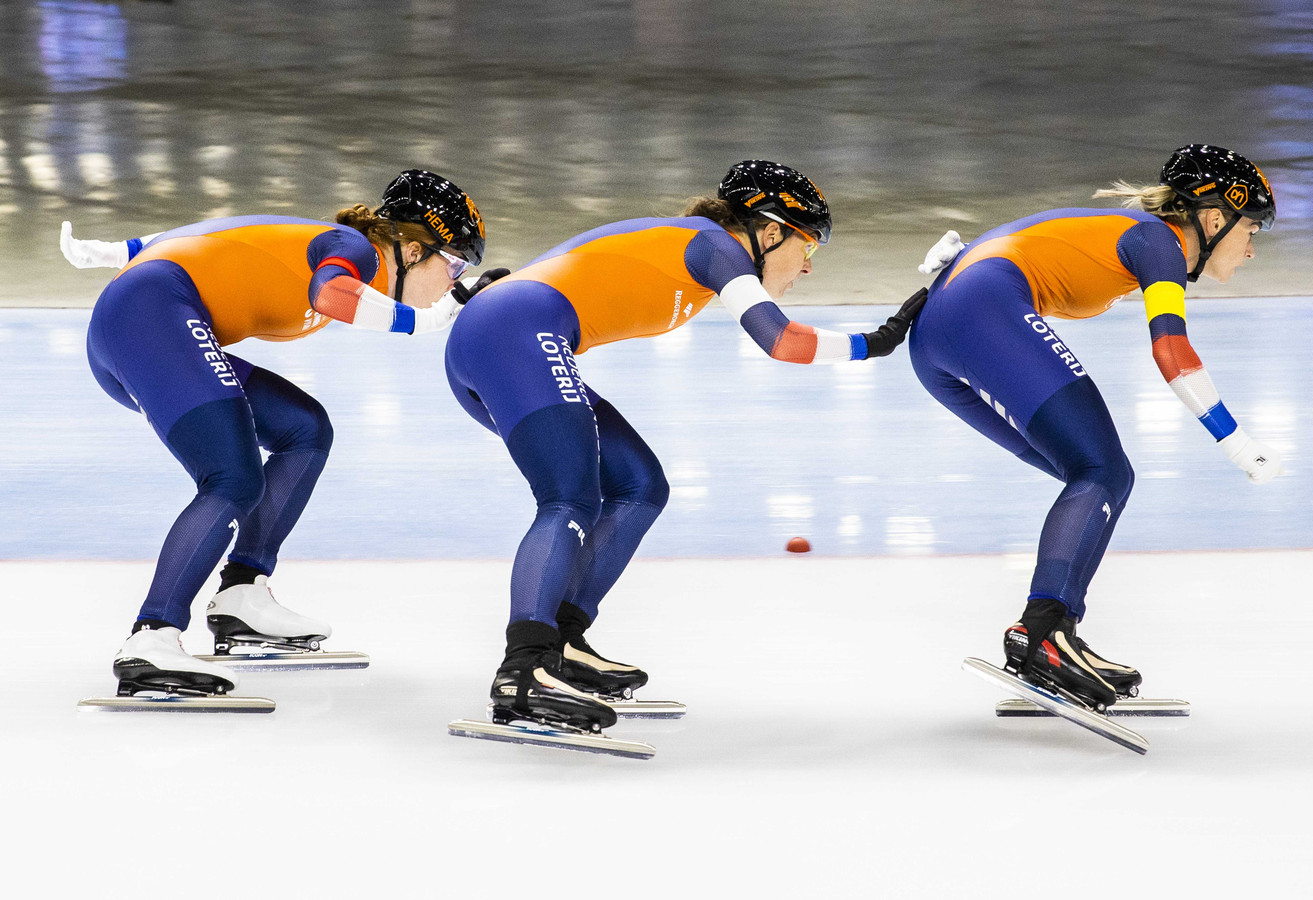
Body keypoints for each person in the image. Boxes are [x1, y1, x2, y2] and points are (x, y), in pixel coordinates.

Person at [445, 160, 925, 733]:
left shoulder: (694, 248)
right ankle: (522, 668)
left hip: (506, 337)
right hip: (513, 337)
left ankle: (559, 642)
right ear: (770, 232)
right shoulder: (716, 246)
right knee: (568, 498)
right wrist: (877, 341)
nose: (807, 269)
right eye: (808, 248)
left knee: (639, 487)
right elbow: (783, 341)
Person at [66, 169, 489, 698]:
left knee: (304, 429)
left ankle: (242, 593)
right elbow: (333, 296)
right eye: (452, 262)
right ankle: (152, 636)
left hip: (144, 322)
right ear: (408, 248)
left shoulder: (336, 245)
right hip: (146, 319)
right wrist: (426, 321)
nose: (453, 279)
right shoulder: (354, 250)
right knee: (232, 478)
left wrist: (116, 250)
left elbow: (214, 236)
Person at [908, 144, 1282, 709]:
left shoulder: (1134, 233)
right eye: (1251, 230)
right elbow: (1172, 351)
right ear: (1212, 219)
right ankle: (1042, 634)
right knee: (1101, 470)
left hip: (938, 337)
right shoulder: (1159, 241)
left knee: (1098, 475)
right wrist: (1235, 440)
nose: (1251, 249)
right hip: (979, 309)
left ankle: (1053, 631)